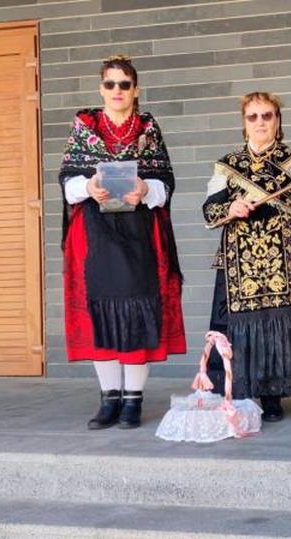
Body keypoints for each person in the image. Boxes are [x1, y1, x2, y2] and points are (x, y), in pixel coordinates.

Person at [59, 54, 185, 430]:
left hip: (139, 237)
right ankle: (108, 400)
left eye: (124, 84)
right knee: (103, 315)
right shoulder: (84, 128)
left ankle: (133, 401)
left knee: (134, 315)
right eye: (110, 84)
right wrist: (88, 187)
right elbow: (67, 185)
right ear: (101, 89)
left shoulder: (148, 128)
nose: (117, 90)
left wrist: (146, 189)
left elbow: (166, 185)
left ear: (136, 90)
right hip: (96, 238)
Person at [202, 92, 291, 422]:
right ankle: (245, 390)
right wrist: (230, 207)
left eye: (267, 115)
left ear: (278, 120)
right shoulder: (227, 166)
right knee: (243, 324)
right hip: (240, 261)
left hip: (283, 258)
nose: (260, 122)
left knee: (279, 320)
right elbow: (209, 211)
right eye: (253, 116)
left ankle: (274, 395)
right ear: (244, 123)